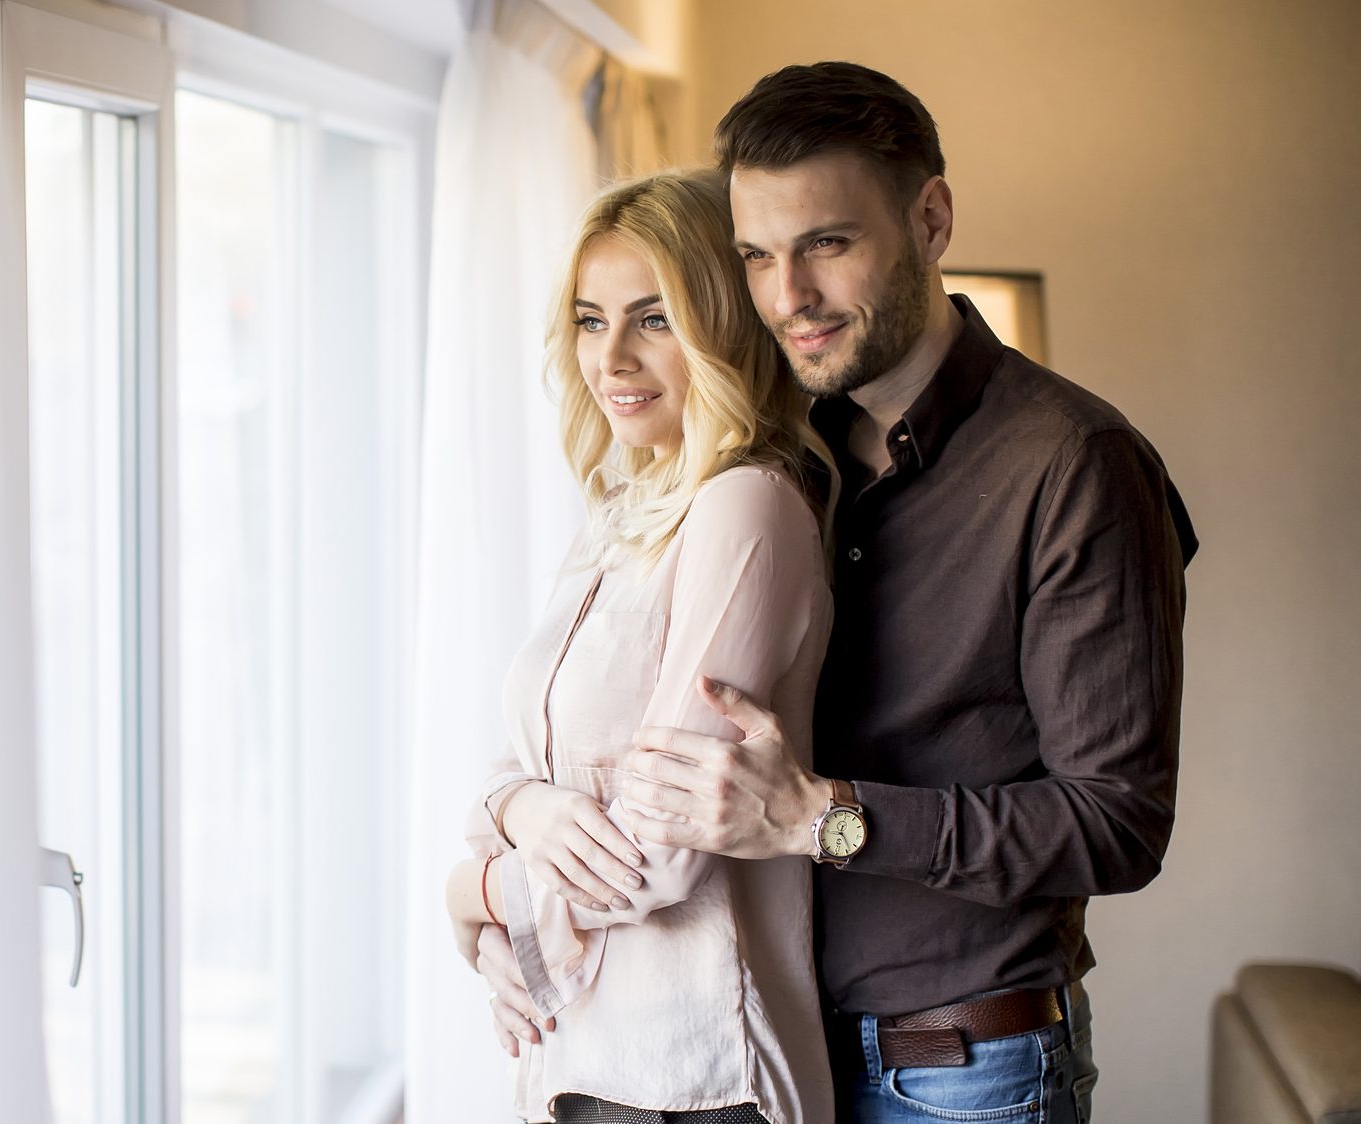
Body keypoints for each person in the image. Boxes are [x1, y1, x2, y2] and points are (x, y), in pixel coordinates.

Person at [485, 63, 1198, 1123]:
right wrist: (504, 884)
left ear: (930, 218)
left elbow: (1115, 823)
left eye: (827, 243)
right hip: (781, 1058)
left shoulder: (1073, 463)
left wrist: (829, 819)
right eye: (756, 256)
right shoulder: (777, 454)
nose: (788, 296)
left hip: (960, 1070)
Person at [444, 168, 840, 1124]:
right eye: (588, 319)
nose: (611, 355)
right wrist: (524, 811)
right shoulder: (625, 508)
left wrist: (474, 892)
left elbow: (659, 854)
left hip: (698, 1081)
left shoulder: (746, 507)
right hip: (581, 1056)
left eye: (652, 318)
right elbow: (518, 759)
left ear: (719, 326)